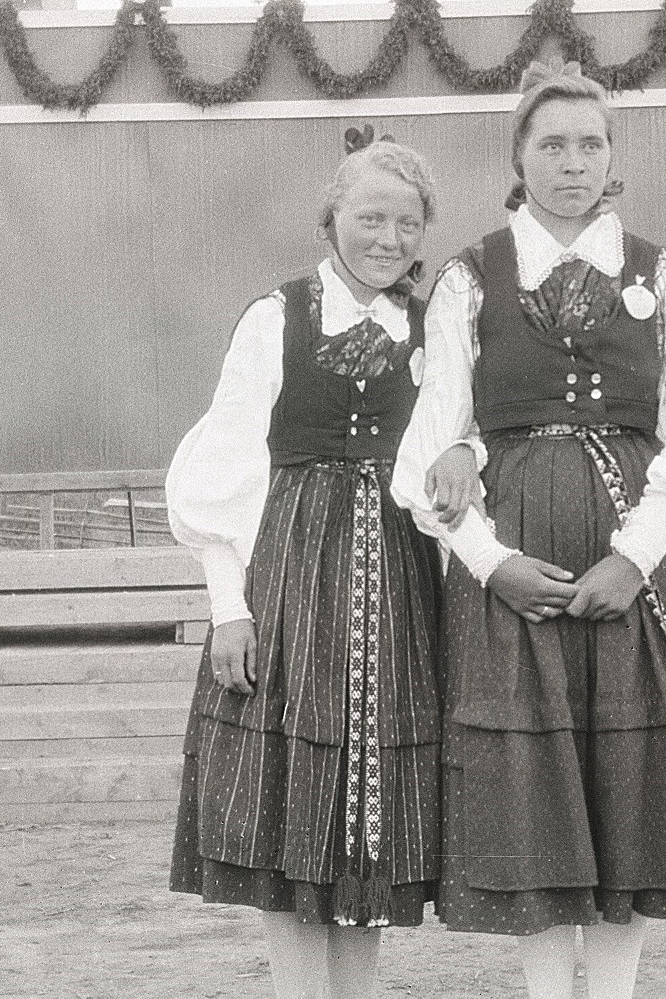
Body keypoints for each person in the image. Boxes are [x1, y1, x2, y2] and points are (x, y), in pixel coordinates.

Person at [392, 60, 666, 999]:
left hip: (629, 553)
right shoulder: (469, 280)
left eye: (589, 144)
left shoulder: (654, 271)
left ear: (611, 158)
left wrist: (634, 557)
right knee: (539, 785)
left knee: (625, 777)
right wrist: (490, 562)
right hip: (518, 558)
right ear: (517, 156)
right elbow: (428, 446)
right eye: (551, 144)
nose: (571, 163)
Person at [167, 136, 444, 999]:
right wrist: (227, 606)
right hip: (292, 573)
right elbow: (225, 458)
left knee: (372, 816)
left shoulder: (430, 327)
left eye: (405, 222)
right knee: (294, 801)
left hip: (396, 584)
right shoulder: (277, 317)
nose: (386, 238)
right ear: (331, 217)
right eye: (369, 217)